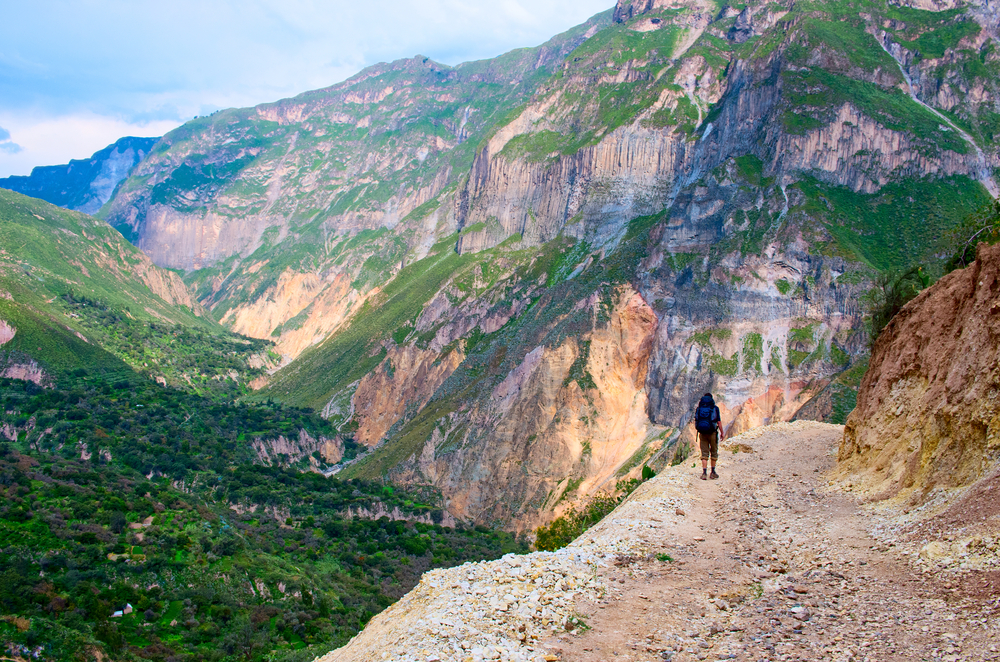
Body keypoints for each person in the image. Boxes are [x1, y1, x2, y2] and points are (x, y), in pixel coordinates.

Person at [694, 392, 724, 480]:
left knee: (704, 453)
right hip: (712, 433)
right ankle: (713, 472)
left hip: (702, 433)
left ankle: (704, 473)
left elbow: (696, 420)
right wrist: (722, 432)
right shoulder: (715, 408)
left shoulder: (699, 409)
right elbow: (719, 422)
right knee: (713, 452)